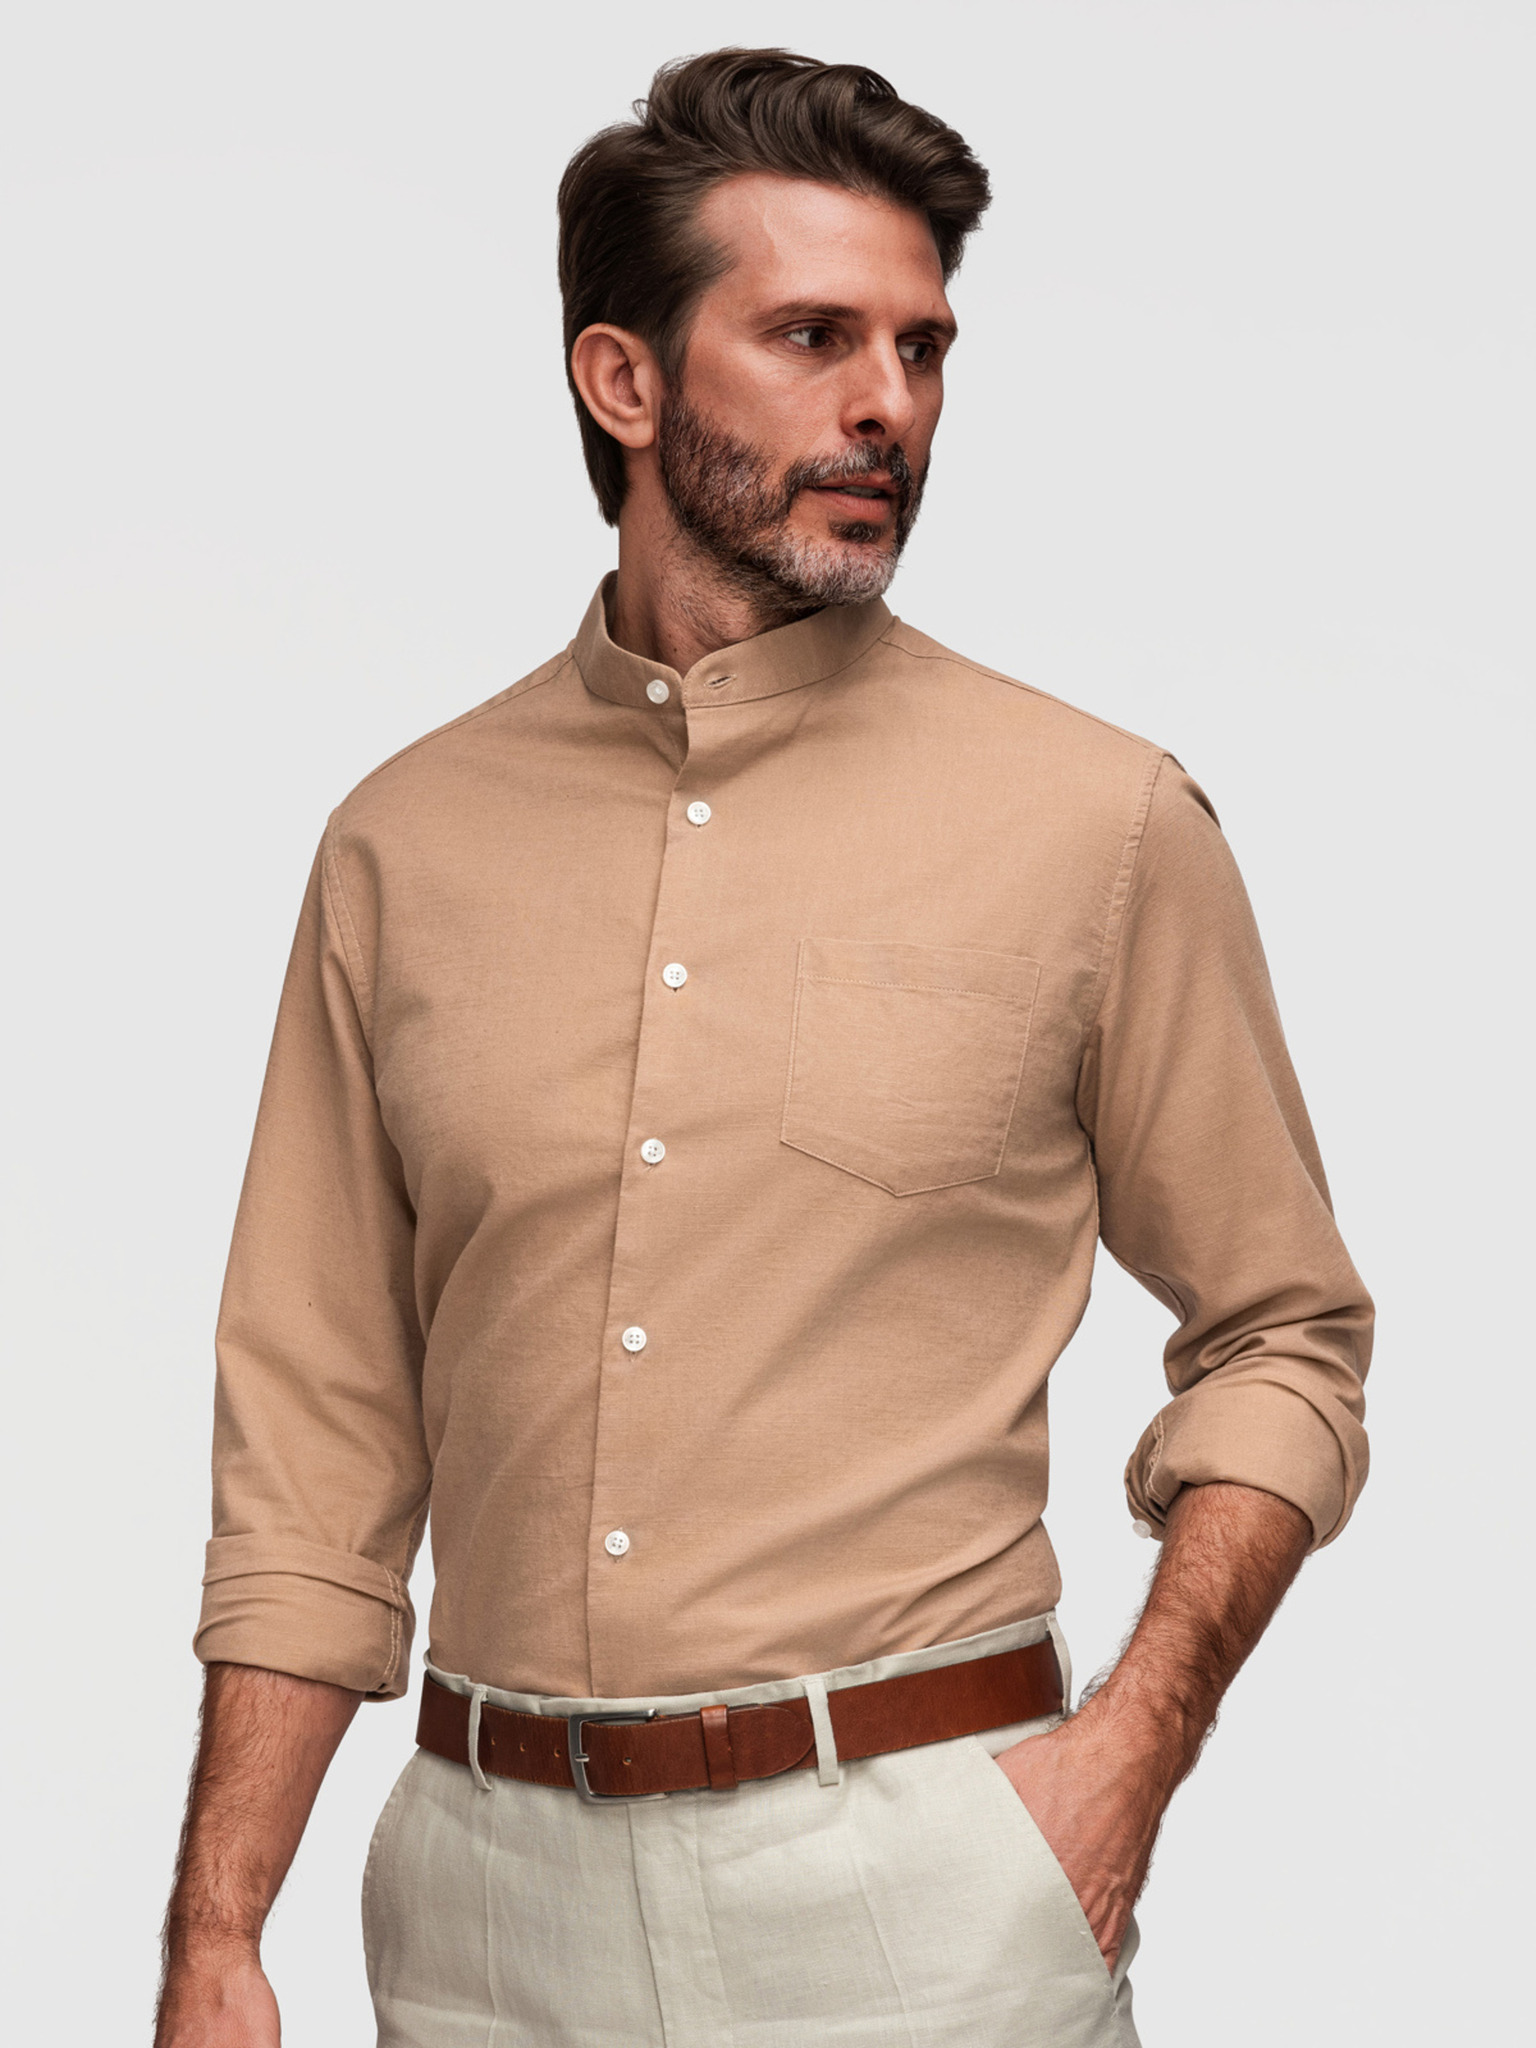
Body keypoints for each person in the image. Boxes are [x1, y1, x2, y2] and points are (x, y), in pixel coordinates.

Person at [156, 47, 1372, 2048]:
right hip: (476, 1918)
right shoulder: (405, 844)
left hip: (918, 1897)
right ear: (624, 382)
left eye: (922, 347)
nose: (889, 402)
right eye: (814, 338)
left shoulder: (1095, 820)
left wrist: (1127, 1758)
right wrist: (220, 1933)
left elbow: (1287, 1331)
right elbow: (317, 1435)